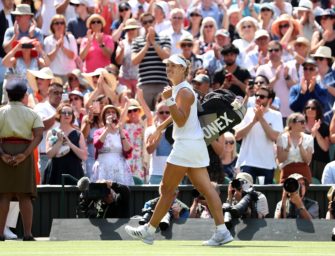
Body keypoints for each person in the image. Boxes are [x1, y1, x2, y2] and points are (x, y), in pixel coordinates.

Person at [125, 54, 233, 246]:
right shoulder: (178, 90)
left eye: (174, 66)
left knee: (167, 189)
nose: (169, 68)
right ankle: (222, 231)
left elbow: (181, 118)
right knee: (207, 189)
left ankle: (149, 231)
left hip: (186, 146)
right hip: (193, 145)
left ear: (184, 70)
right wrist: (159, 127)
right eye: (168, 65)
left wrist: (169, 101)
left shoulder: (184, 92)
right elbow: (180, 116)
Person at [0, 79, 44, 241]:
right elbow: (39, 134)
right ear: (24, 95)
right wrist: (25, 154)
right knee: (24, 196)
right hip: (24, 152)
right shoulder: (32, 113)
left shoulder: (1, 112)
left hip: (4, 150)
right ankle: (27, 234)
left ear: (8, 95)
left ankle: (0, 234)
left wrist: (3, 155)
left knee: (3, 195)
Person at [234, 86, 283, 184]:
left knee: (264, 196)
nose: (257, 98)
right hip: (246, 162)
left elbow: (274, 137)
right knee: (244, 195)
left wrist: (261, 119)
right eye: (256, 95)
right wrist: (253, 122)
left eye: (261, 96)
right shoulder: (247, 112)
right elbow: (237, 136)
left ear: (270, 100)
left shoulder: (276, 115)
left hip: (267, 164)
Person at [43, 103, 87, 185]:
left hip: (73, 170)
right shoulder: (52, 132)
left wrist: (69, 143)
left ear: (72, 116)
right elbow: (49, 154)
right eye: (64, 112)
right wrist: (59, 142)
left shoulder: (78, 134)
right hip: (56, 170)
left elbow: (84, 156)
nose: (67, 115)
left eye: (69, 113)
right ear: (59, 115)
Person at [92, 105, 134, 185]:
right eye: (108, 112)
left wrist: (121, 131)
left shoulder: (123, 132)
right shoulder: (98, 132)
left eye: (113, 112)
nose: (111, 114)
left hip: (119, 168)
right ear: (104, 116)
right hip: (103, 167)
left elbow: (128, 150)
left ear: (117, 116)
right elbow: (97, 145)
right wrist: (107, 128)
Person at [276, 112, 314, 184]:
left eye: (305, 122)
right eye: (301, 122)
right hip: (287, 172)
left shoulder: (309, 138)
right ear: (291, 124)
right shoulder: (281, 137)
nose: (304, 124)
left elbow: (307, 160)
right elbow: (280, 159)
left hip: (304, 173)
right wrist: (287, 148)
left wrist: (301, 147)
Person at [145, 101, 172, 184]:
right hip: (156, 174)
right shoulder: (150, 130)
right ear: (157, 113)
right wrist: (159, 133)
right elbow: (149, 150)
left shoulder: (177, 130)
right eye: (161, 112)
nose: (164, 114)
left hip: (173, 173)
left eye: (167, 112)